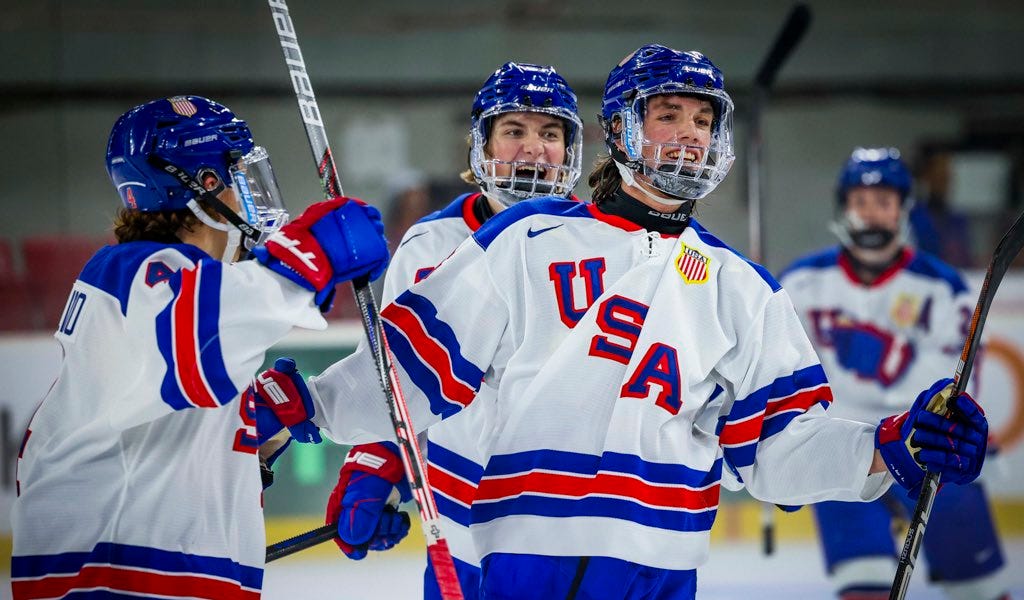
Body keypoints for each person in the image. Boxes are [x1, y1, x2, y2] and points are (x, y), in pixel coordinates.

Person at [303, 45, 987, 599]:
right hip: (515, 554)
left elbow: (776, 447)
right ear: (622, 128)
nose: (689, 135)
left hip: (657, 573)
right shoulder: (523, 242)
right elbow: (412, 369)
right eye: (668, 115)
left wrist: (893, 444)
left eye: (702, 120)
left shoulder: (743, 289)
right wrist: (309, 409)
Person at [9, 95, 389, 599]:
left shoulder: (172, 295)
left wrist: (256, 428)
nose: (249, 196)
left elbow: (156, 431)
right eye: (238, 177)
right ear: (203, 185)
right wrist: (309, 252)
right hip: (113, 584)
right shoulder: (135, 272)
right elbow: (204, 324)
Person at [321, 62, 583, 599]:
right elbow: (394, 373)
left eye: (550, 133)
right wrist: (377, 460)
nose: (534, 149)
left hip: (573, 524)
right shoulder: (430, 245)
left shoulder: (599, 243)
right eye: (514, 131)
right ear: (480, 147)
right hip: (460, 519)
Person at [779, 147, 1008, 600]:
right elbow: (781, 372)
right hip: (842, 449)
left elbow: (961, 383)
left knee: (979, 591)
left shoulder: (942, 287)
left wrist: (890, 359)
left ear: (903, 209)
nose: (871, 215)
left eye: (883, 202)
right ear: (844, 207)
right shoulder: (801, 282)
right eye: (860, 203)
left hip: (928, 448)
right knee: (862, 590)